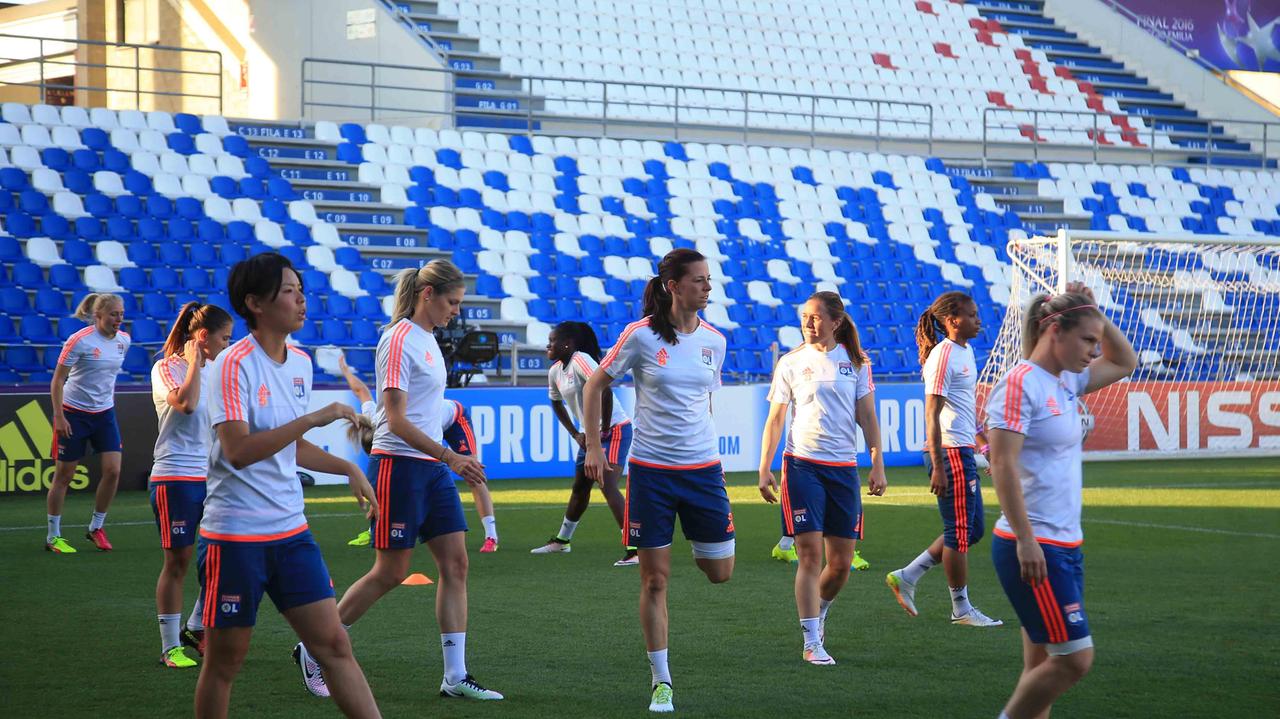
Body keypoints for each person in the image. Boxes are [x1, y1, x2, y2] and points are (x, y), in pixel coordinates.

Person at [301, 261, 502, 701]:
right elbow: (394, 419)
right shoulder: (397, 340)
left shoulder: (428, 339)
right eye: (452, 302)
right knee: (390, 572)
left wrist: (445, 458)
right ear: (427, 295)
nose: (456, 311)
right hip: (398, 466)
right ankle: (314, 648)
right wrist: (452, 455)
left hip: (429, 469)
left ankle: (455, 675)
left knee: (457, 564)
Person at [195, 252, 381, 718]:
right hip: (234, 538)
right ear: (255, 303)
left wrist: (349, 468)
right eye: (290, 292)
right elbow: (238, 450)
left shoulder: (298, 362)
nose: (301, 300)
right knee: (225, 662)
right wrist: (315, 417)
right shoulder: (231, 365)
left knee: (334, 644)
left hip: (291, 533)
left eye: (301, 290)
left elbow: (290, 449)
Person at [582, 248, 732, 713]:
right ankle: (661, 680)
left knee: (719, 572)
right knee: (654, 581)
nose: (707, 287)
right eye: (700, 280)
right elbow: (594, 386)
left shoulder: (716, 341)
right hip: (651, 473)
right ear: (674, 286)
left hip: (703, 471)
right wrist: (593, 445)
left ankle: (689, 537)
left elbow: (705, 401)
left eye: (709, 280)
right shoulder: (641, 336)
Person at [985, 283, 1136, 719]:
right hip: (1034, 545)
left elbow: (1126, 361)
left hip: (1064, 543)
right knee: (1074, 659)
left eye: (1096, 339)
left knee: (1040, 669)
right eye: (1087, 339)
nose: (1095, 349)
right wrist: (1027, 540)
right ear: (1054, 329)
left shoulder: (1066, 380)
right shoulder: (1019, 384)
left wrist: (1096, 315)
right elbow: (1004, 466)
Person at [757, 291, 887, 666]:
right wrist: (765, 467)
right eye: (804, 317)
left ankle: (820, 611)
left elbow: (867, 417)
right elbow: (776, 420)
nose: (808, 323)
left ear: (836, 322)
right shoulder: (791, 362)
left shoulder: (857, 362)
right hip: (802, 467)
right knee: (809, 555)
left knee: (842, 563)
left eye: (815, 317)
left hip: (844, 470)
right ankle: (811, 639)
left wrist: (876, 462)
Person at [885, 291, 1003, 627]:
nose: (979, 320)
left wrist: (984, 446)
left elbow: (963, 409)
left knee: (972, 529)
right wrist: (937, 463)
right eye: (972, 315)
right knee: (959, 533)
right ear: (952, 320)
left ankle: (907, 575)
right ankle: (961, 609)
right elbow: (932, 412)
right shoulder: (943, 355)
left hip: (962, 449)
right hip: (948, 452)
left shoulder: (965, 353)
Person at [338, 355, 498, 553]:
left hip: (455, 419)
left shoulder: (408, 431)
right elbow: (360, 390)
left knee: (473, 473)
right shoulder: (374, 417)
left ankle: (491, 535)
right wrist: (345, 370)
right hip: (429, 426)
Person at [150, 301, 234, 668]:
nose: (228, 346)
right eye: (224, 339)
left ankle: (197, 625)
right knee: (179, 562)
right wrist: (196, 364)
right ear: (203, 338)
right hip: (174, 477)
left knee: (224, 554)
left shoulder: (218, 369)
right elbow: (186, 403)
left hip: (210, 477)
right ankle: (170, 647)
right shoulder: (167, 368)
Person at [530, 321, 637, 567]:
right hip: (589, 436)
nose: (548, 345)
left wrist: (605, 428)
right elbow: (555, 402)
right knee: (580, 487)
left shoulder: (580, 360)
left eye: (553, 340)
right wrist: (575, 433)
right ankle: (562, 541)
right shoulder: (555, 371)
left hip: (615, 430)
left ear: (568, 344)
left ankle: (635, 548)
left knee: (607, 484)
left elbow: (606, 391)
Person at [45, 293, 130, 553]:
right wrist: (59, 416)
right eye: (114, 314)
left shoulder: (124, 341)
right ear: (98, 316)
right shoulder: (79, 341)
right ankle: (53, 537)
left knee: (113, 471)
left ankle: (96, 527)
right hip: (73, 413)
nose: (119, 319)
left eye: (121, 314)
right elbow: (58, 381)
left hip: (104, 414)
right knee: (64, 476)